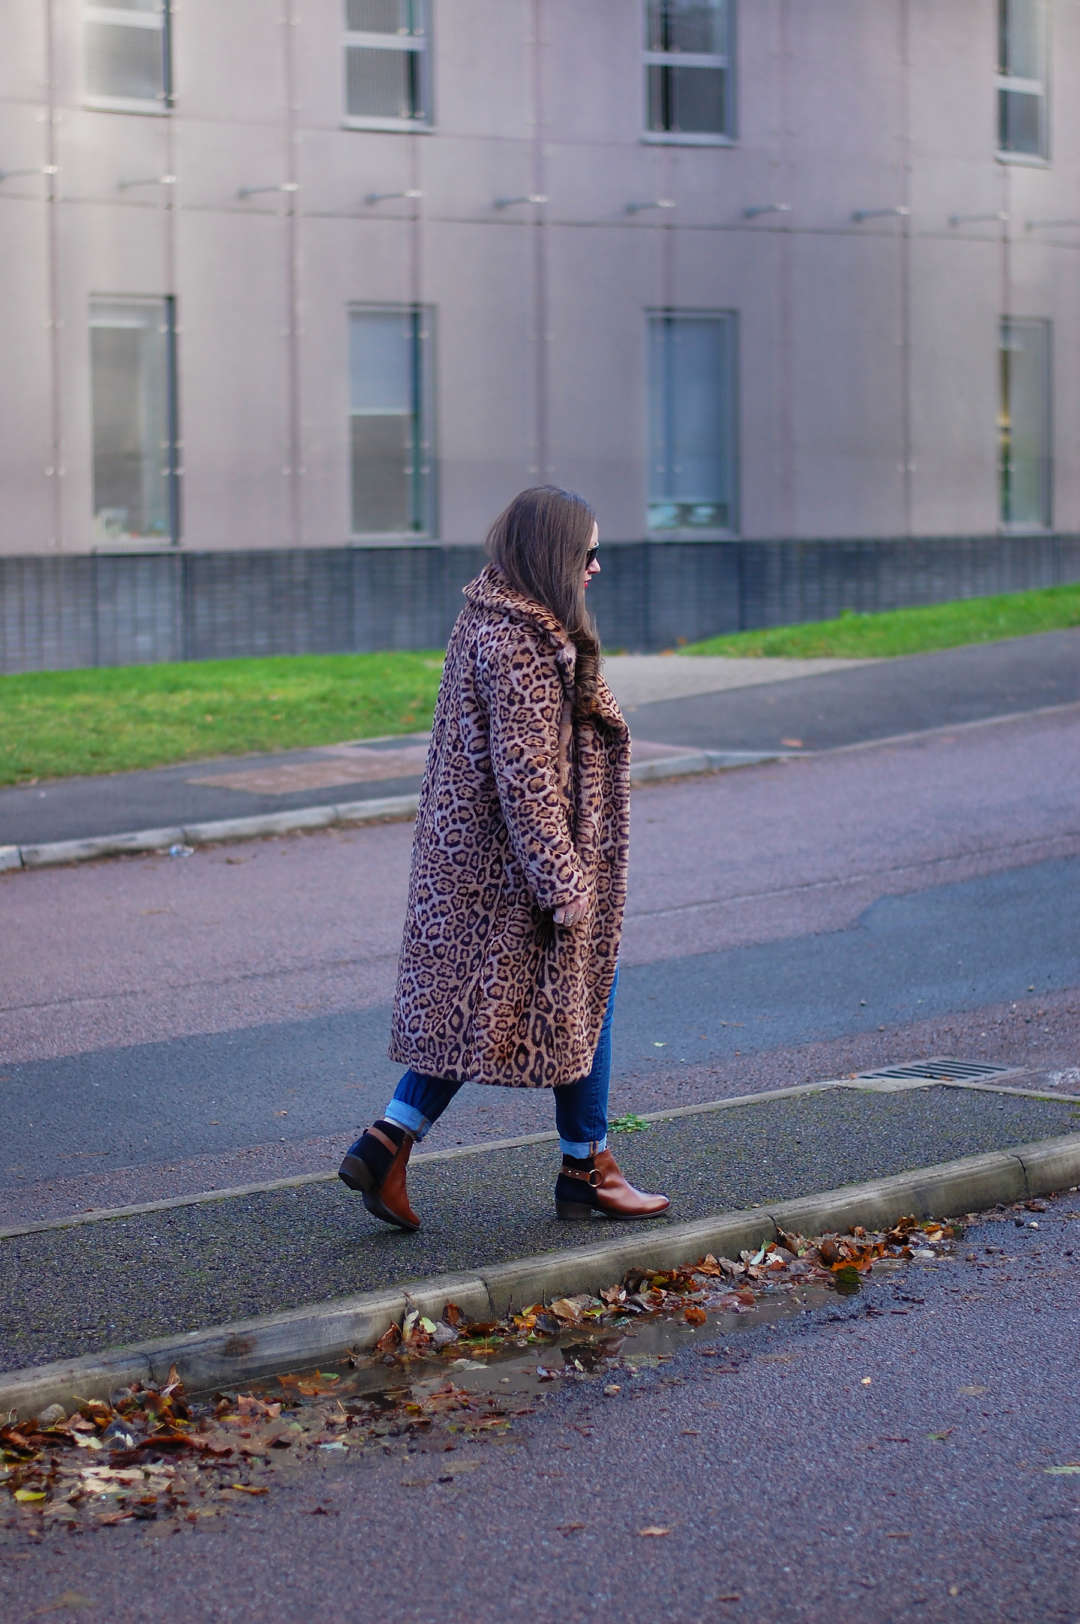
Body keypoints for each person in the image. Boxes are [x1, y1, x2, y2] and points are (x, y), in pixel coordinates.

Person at [338, 485, 669, 1231]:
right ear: (558, 554)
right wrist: (563, 880)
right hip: (516, 869)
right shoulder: (521, 641)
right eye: (588, 552)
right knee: (582, 1000)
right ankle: (587, 1168)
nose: (596, 567)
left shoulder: (496, 620)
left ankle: (387, 1141)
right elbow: (526, 775)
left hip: (483, 864)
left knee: (478, 1012)